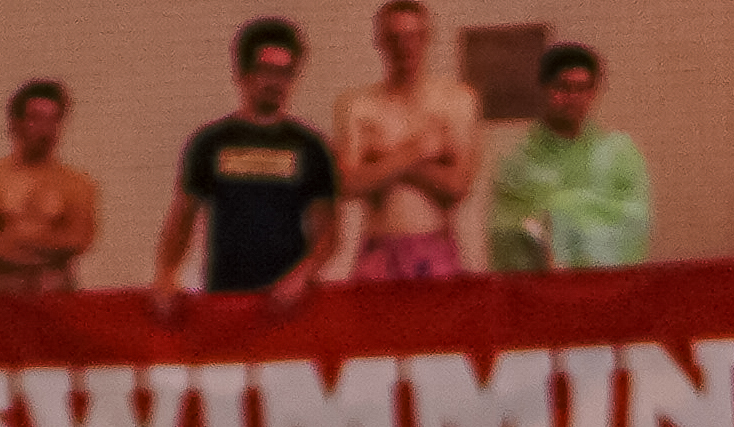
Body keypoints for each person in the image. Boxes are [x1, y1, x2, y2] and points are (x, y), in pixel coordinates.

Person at [153, 18, 343, 317]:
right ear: (242, 73)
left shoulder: (311, 147)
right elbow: (182, 219)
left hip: (289, 305)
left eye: (286, 72)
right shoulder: (210, 143)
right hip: (224, 300)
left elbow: (328, 234)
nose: (276, 82)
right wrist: (166, 274)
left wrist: (302, 277)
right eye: (267, 70)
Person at [333, 0, 481, 282]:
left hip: (435, 247)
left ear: (427, 38)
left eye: (413, 36)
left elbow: (457, 187)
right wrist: (416, 152)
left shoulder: (457, 102)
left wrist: (383, 158)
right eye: (394, 38)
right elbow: (349, 184)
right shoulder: (357, 107)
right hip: (378, 250)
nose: (404, 46)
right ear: (380, 41)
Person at [485, 45, 651, 272]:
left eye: (582, 88)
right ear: (544, 88)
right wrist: (543, 227)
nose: (573, 98)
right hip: (540, 286)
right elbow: (502, 229)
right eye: (563, 87)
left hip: (606, 284)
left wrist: (568, 211)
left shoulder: (619, 154)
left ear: (594, 91)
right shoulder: (518, 160)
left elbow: (635, 220)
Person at [0, 82, 101, 297]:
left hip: (59, 296)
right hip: (3, 298)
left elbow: (80, 238)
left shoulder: (76, 182)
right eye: (37, 119)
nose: (46, 128)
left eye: (54, 119)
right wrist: (44, 243)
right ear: (16, 123)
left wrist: (16, 240)